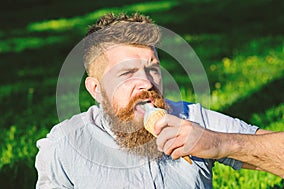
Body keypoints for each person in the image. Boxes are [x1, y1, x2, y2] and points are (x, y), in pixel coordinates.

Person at [35, 13, 283, 188]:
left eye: (152, 68)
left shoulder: (191, 120)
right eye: (127, 72)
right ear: (96, 89)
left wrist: (218, 143)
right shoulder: (65, 146)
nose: (147, 82)